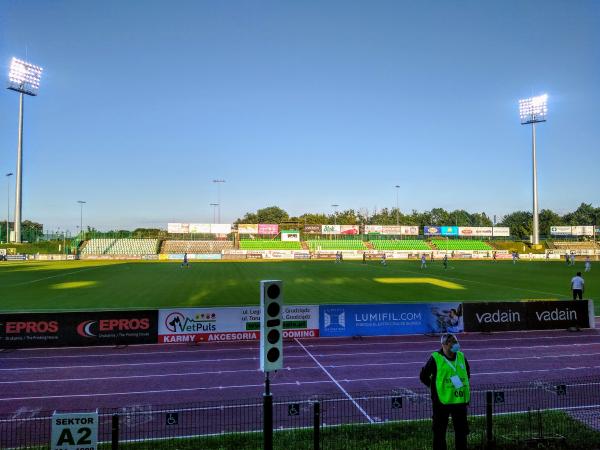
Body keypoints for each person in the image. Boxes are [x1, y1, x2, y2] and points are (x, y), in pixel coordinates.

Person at [420, 333, 471, 450]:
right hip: (441, 403)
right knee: (439, 433)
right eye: (453, 342)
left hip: (459, 402)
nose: (456, 344)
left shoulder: (461, 356)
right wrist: (434, 388)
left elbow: (467, 374)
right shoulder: (436, 358)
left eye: (456, 341)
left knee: (462, 433)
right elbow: (423, 376)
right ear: (445, 344)